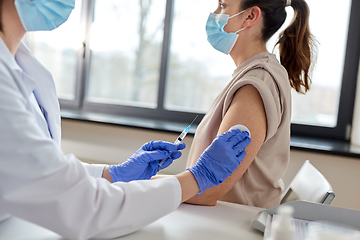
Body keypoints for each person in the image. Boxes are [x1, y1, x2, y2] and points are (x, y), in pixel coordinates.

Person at [0, 0, 251, 239]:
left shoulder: (20, 61)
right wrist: (197, 178)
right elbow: (84, 208)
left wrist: (111, 174)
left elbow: (38, 172)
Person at [185, 0, 316, 208]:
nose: (214, 13)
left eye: (222, 5)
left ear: (250, 16)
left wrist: (133, 183)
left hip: (232, 224)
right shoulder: (254, 73)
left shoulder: (256, 83)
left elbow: (208, 189)